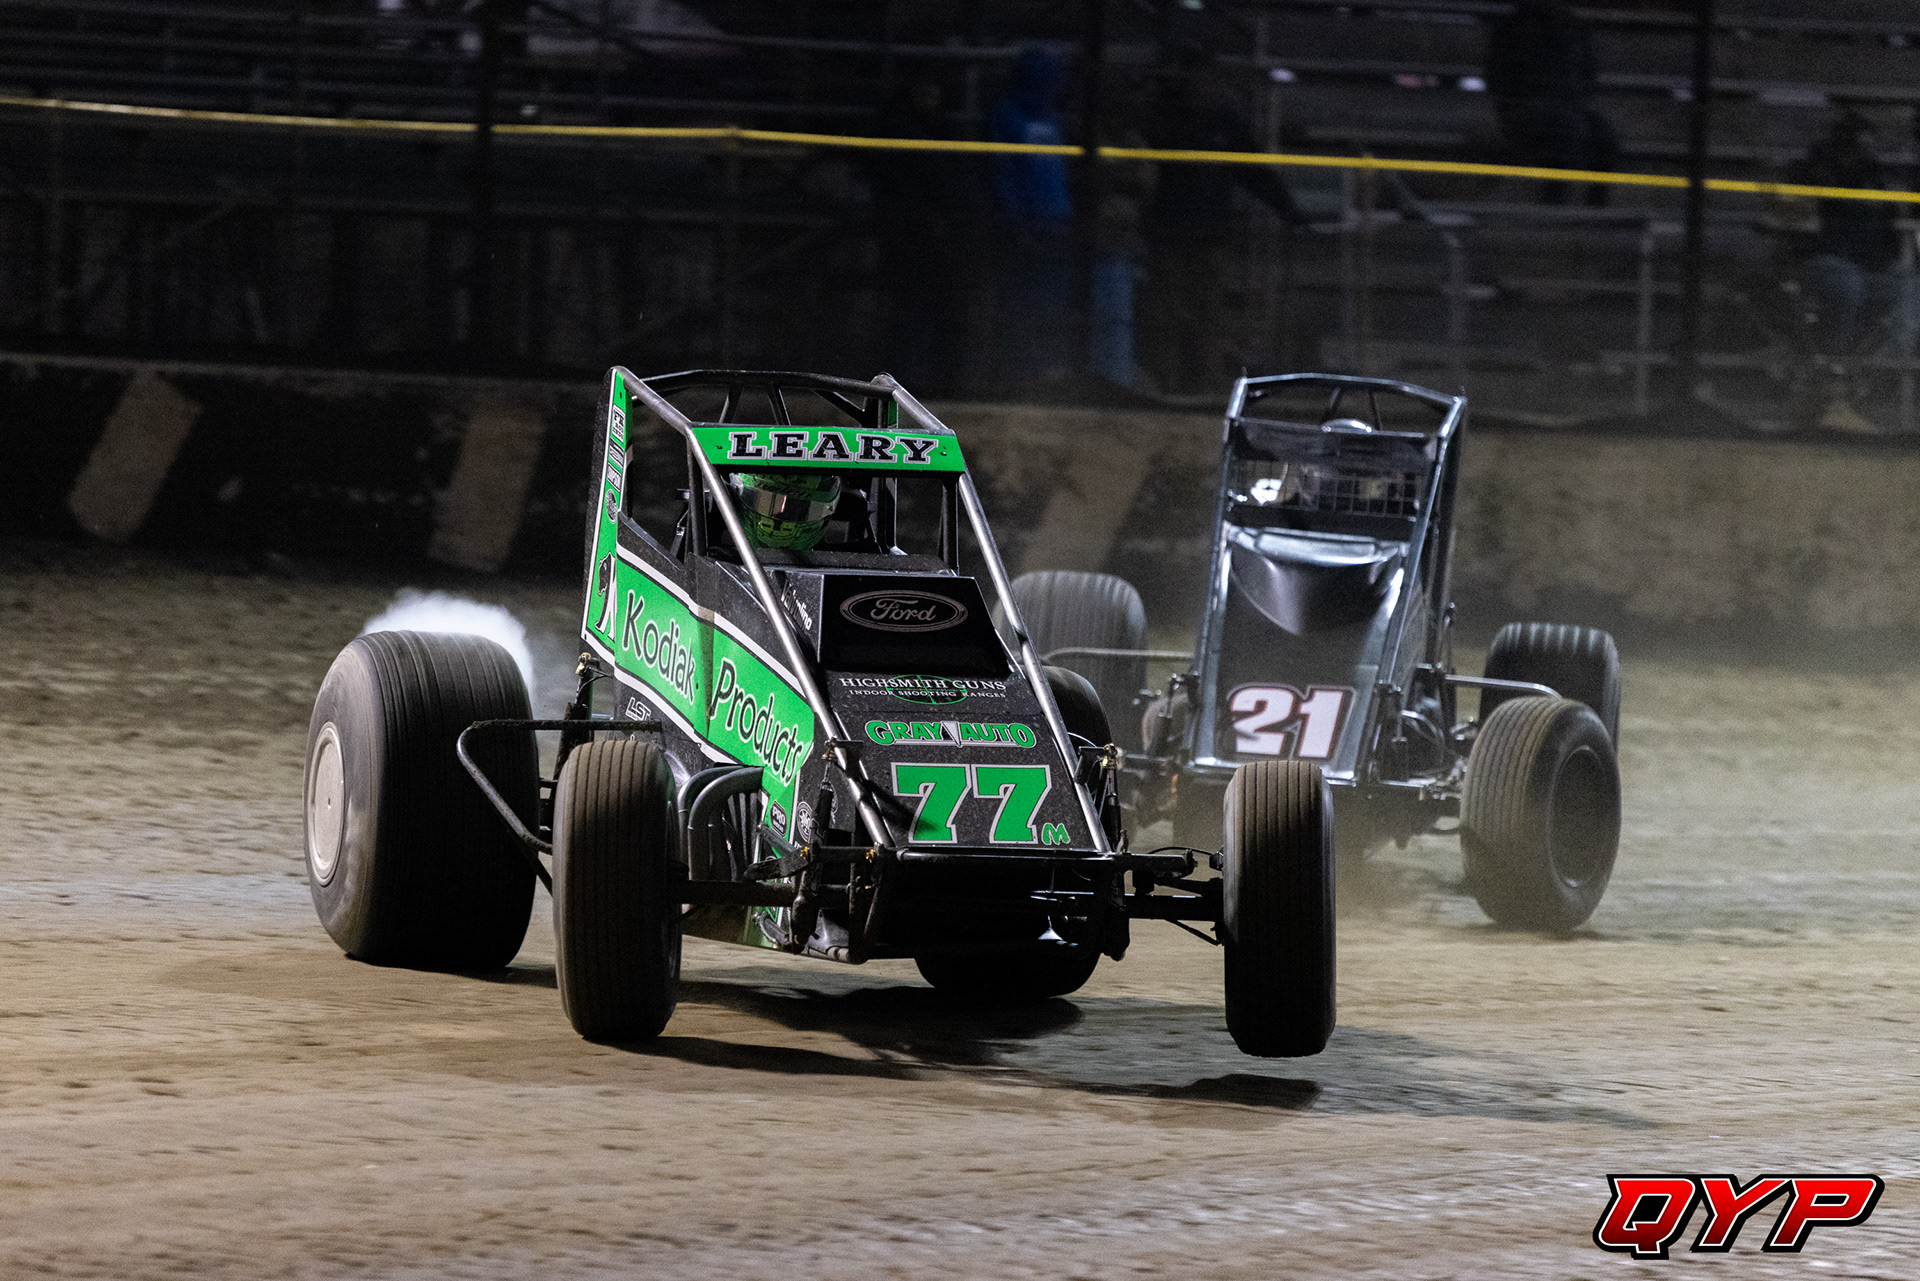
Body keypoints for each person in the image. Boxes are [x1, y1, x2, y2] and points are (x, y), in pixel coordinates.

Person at [1140, 48, 1308, 394]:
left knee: (1209, 312)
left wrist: (1287, 209)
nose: (1203, 86)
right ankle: (1164, 381)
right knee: (1166, 310)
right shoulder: (1164, 119)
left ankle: (1204, 381)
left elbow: (1254, 171)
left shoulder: (1224, 122)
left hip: (1210, 232)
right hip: (1168, 230)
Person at [867, 73, 992, 395]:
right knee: (905, 313)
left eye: (934, 88)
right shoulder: (894, 129)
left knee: (950, 312)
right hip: (907, 240)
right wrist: (922, 219)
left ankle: (948, 382)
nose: (929, 95)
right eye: (922, 87)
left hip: (948, 242)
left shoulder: (947, 130)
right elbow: (892, 186)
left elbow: (962, 186)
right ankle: (895, 384)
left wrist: (952, 224)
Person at [1785, 112, 1909, 431]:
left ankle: (1866, 377)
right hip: (1820, 262)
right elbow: (1792, 228)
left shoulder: (1876, 179)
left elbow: (1889, 235)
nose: (1862, 155)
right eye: (1855, 147)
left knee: (1910, 290)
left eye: (1867, 148)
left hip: (1871, 267)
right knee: (1847, 284)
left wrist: (1895, 214)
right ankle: (1832, 381)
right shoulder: (1809, 173)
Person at [988, 45, 1075, 386]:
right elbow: (1003, 171)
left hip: (1055, 219)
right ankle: (1021, 369)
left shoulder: (1050, 114)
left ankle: (1044, 368)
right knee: (1024, 298)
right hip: (1025, 222)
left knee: (1051, 297)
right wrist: (1015, 218)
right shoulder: (1007, 113)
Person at [1484, 0, 1619, 206]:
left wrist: (1575, 103)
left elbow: (1588, 73)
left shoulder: (1573, 26)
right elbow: (1496, 76)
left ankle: (1596, 198)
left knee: (1606, 138)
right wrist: (1512, 106)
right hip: (1524, 109)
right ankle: (1555, 194)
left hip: (1566, 108)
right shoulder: (1512, 26)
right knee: (1561, 128)